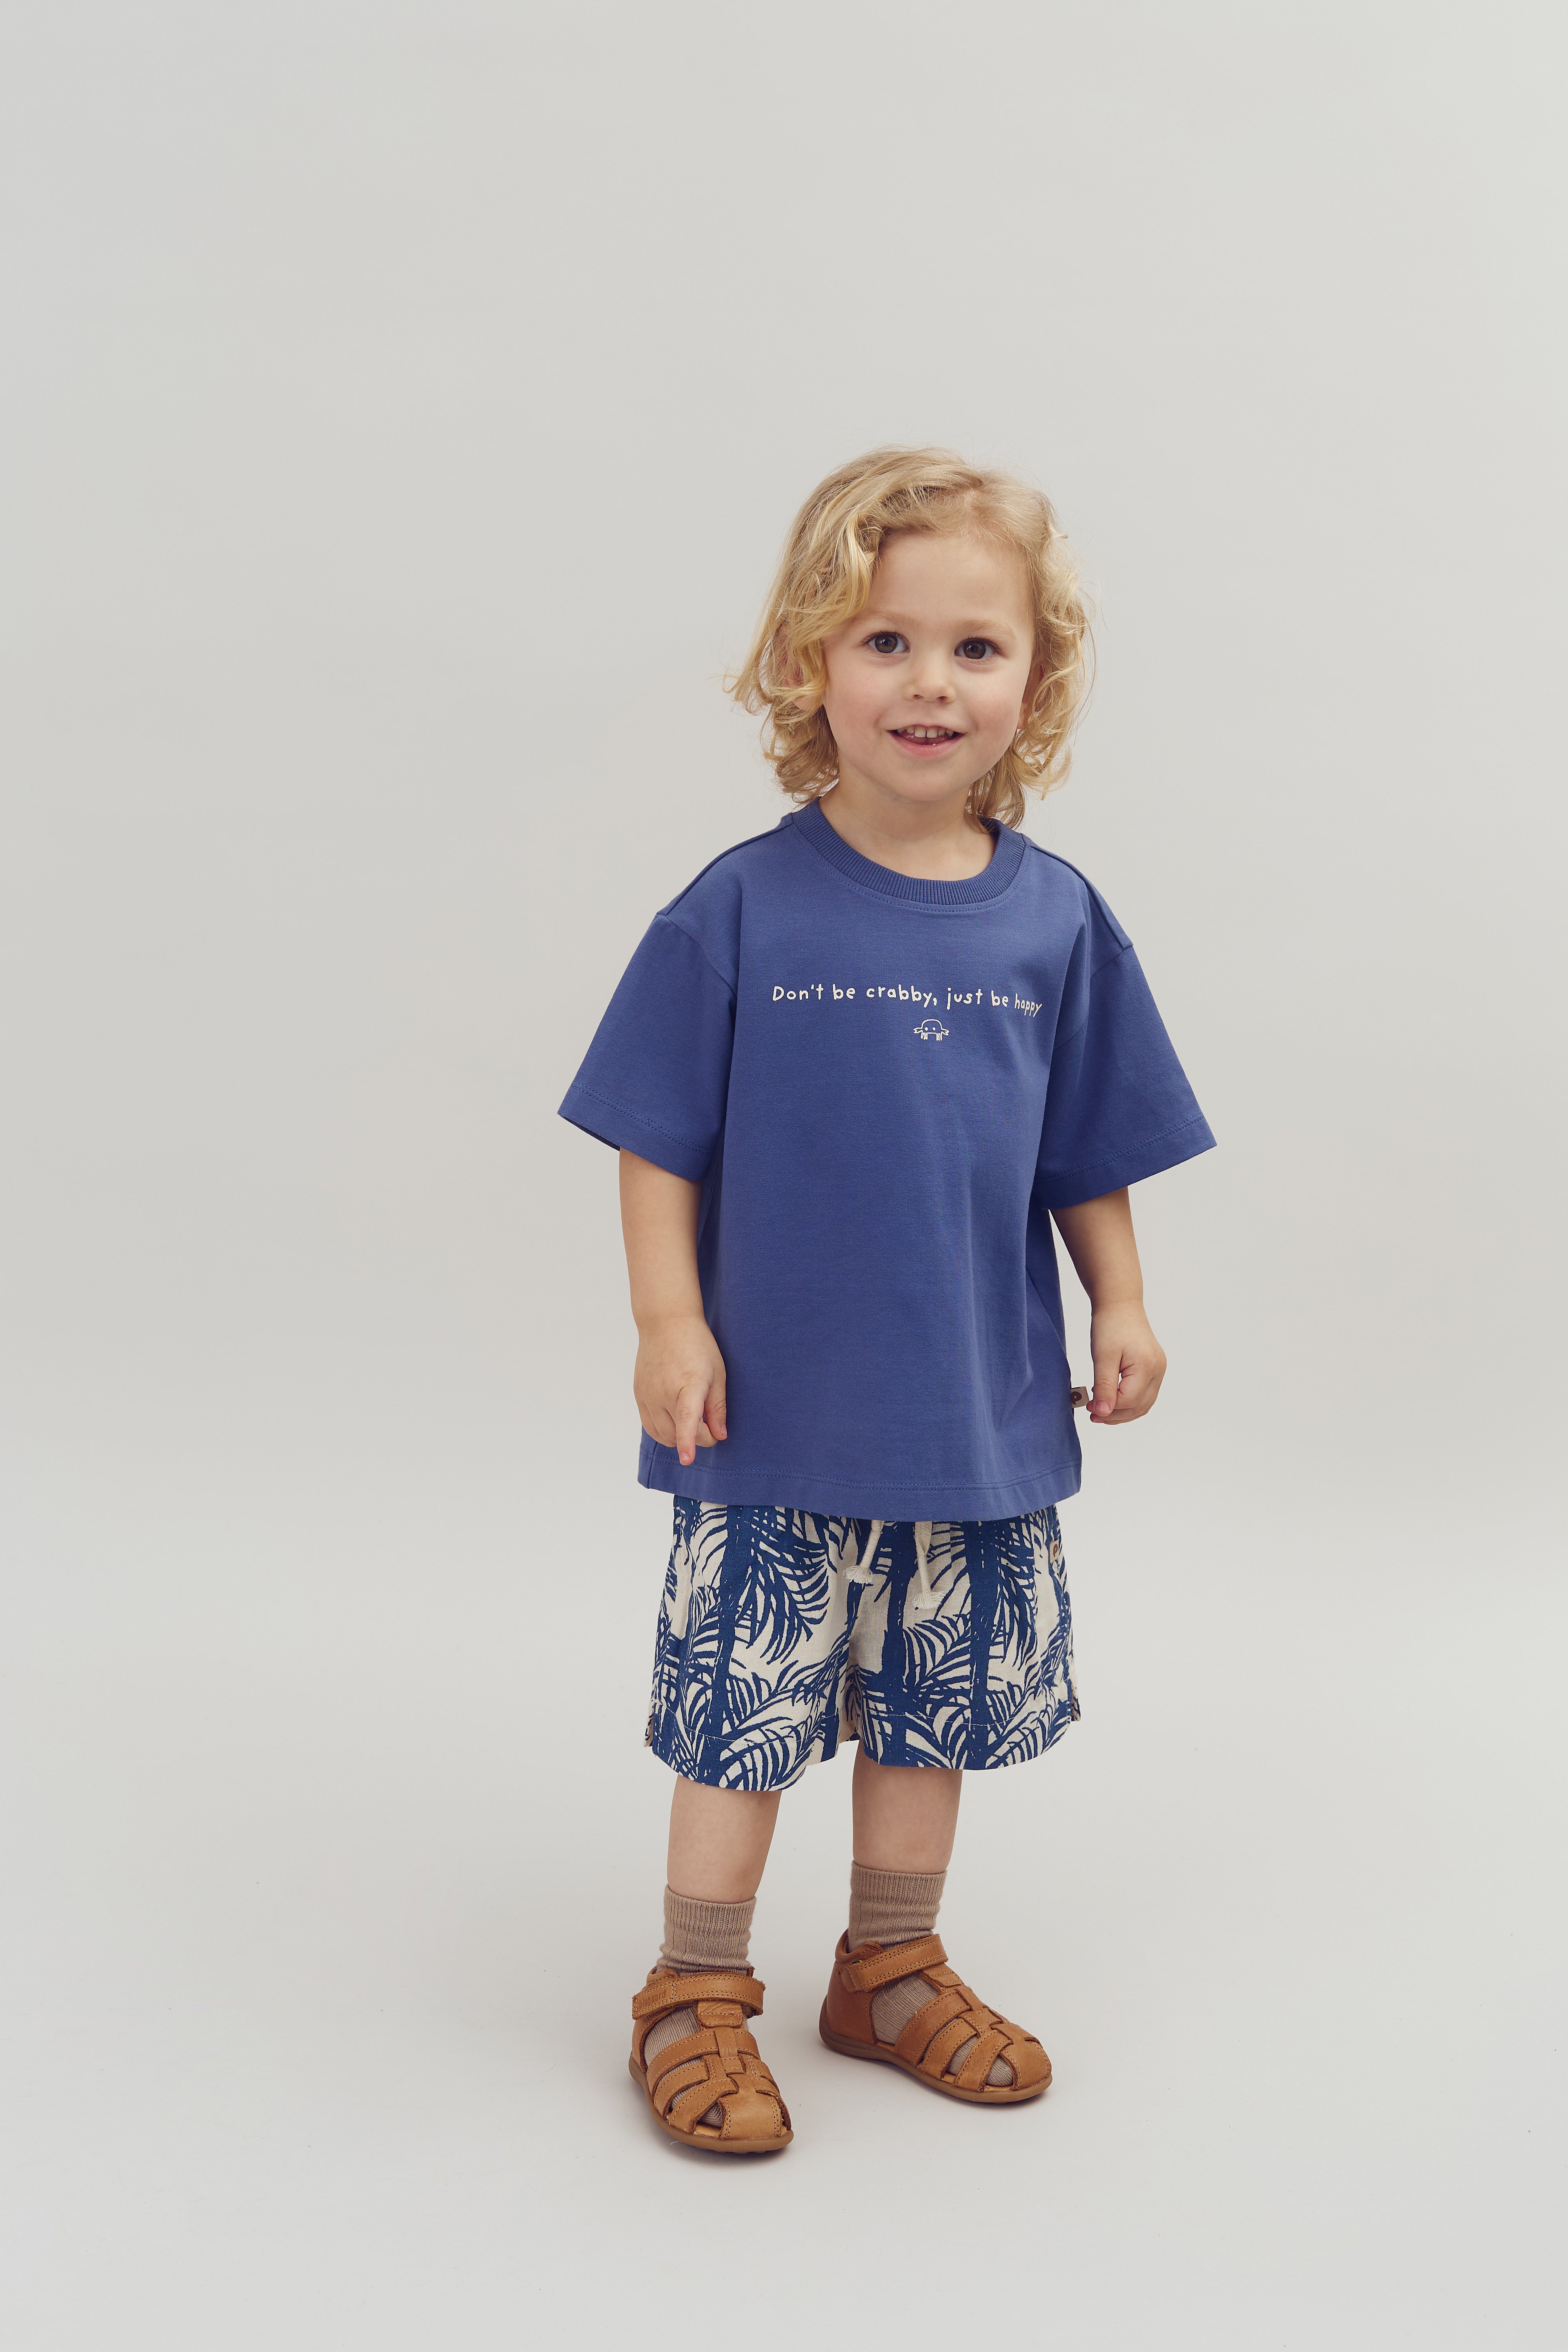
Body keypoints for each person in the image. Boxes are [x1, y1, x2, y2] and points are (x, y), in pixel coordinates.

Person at [558, 446, 1215, 2154]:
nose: (929, 683)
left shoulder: (1057, 924)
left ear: (1034, 681)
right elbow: (652, 1138)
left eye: (973, 648)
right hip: (770, 1419)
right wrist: (666, 1321)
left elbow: (1087, 1150)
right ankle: (694, 1992)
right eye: (883, 642)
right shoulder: (741, 907)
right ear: (808, 666)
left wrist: (1120, 1300)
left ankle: (889, 1968)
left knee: (933, 1717)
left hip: (976, 1419)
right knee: (745, 1716)